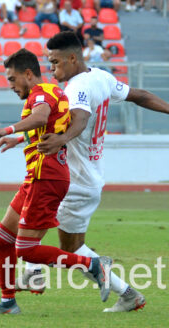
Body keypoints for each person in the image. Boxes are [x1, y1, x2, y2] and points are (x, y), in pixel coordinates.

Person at [17, 31, 169, 312]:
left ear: (72, 58)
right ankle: (129, 296)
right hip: (89, 180)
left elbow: (81, 119)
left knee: (35, 235)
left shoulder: (77, 88)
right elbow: (141, 95)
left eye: (54, 62)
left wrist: (62, 139)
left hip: (72, 180)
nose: (51, 69)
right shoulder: (102, 77)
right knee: (70, 245)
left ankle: (32, 272)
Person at [0, 48, 112, 315]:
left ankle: (94, 266)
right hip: (38, 176)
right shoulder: (51, 92)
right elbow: (48, 126)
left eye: (13, 80)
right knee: (3, 237)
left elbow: (39, 117)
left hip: (46, 178)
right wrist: (19, 139)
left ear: (28, 74)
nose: (11, 86)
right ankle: (7, 303)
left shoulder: (41, 94)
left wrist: (8, 129)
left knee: (25, 249)